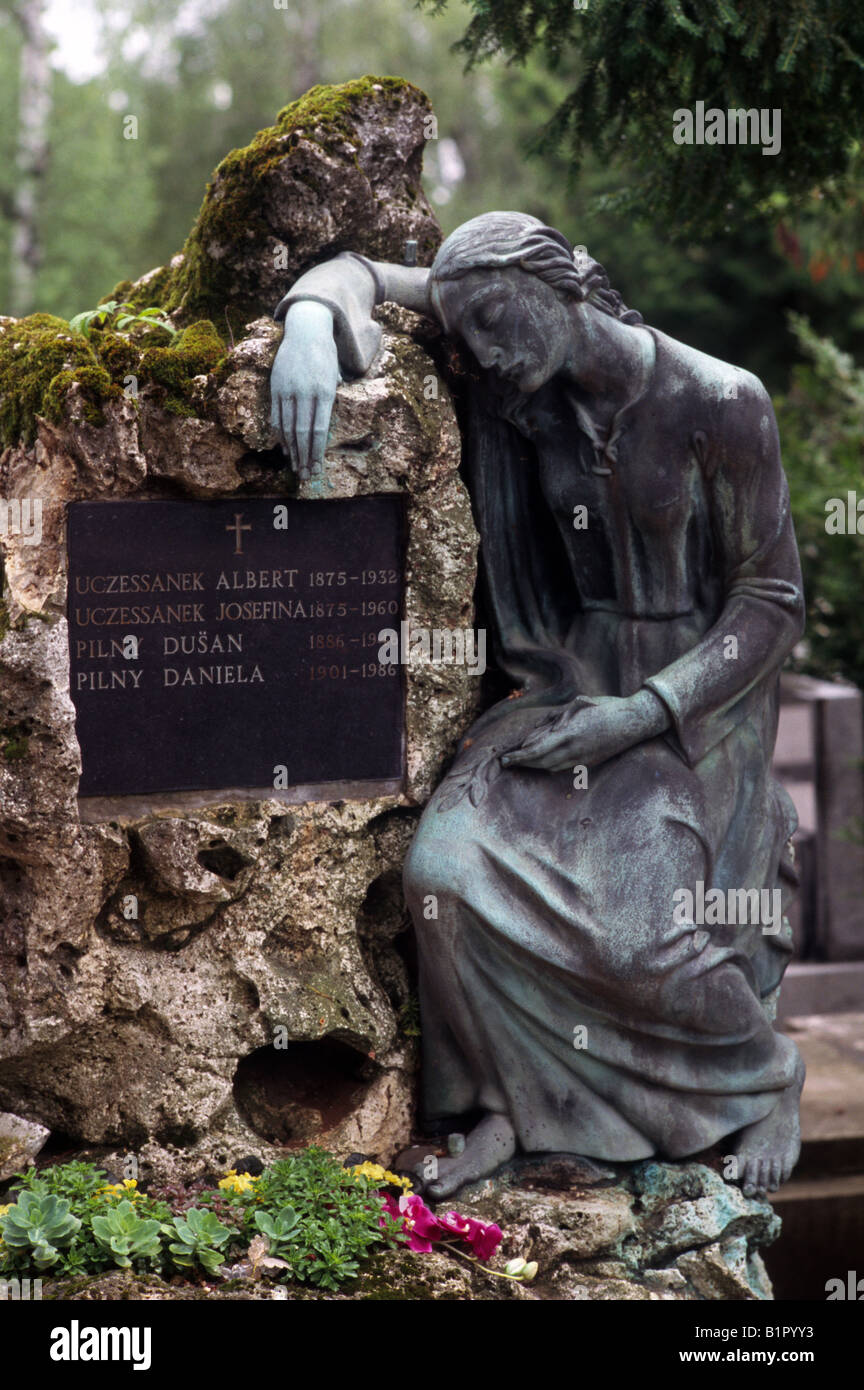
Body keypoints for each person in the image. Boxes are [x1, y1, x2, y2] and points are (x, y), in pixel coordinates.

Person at [269, 212, 805, 1200]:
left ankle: (761, 1078)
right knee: (442, 875)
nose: (468, 352)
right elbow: (360, 272)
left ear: (553, 287)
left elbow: (771, 603)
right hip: (564, 684)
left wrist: (646, 710)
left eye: (482, 328)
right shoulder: (518, 360)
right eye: (460, 329)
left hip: (692, 708)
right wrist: (308, 321)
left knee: (645, 934)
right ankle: (505, 1110)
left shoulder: (721, 400)